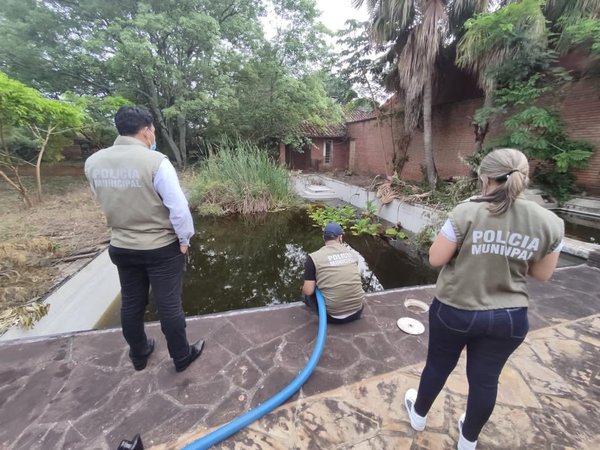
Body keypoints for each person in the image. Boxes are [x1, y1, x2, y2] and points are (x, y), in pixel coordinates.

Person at [403, 148, 564, 449]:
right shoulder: (550, 223)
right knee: (485, 380)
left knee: (438, 366)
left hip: (454, 310)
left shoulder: (467, 211)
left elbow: (436, 258)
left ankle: (419, 416)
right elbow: (542, 274)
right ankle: (468, 440)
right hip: (509, 318)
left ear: (485, 177)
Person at [85, 106, 204, 373]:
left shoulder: (93, 162)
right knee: (169, 305)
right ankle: (181, 356)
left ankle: (139, 353)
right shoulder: (156, 162)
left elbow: (102, 198)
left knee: (131, 302)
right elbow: (179, 208)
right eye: (153, 131)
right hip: (161, 248)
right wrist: (184, 240)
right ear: (147, 129)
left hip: (121, 246)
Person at [302, 222, 365, 324]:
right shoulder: (352, 255)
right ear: (340, 237)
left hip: (332, 317)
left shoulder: (313, 258)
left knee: (307, 294)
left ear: (324, 238)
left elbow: (308, 291)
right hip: (357, 311)